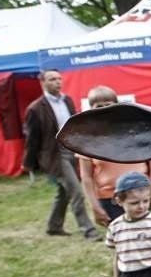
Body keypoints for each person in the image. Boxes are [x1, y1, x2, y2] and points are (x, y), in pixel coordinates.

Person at [22, 69, 101, 241]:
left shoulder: (67, 100)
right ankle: (89, 231)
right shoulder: (35, 109)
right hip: (54, 156)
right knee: (76, 192)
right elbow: (32, 139)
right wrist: (28, 163)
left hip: (72, 151)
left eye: (59, 78)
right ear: (42, 82)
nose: (57, 82)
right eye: (52, 79)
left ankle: (54, 226)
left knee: (63, 192)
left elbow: (75, 125)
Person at [79, 86, 151, 225]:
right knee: (123, 239)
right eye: (99, 106)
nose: (104, 109)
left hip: (140, 193)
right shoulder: (87, 138)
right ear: (92, 108)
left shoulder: (135, 130)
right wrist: (94, 205)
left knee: (147, 234)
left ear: (116, 106)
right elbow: (86, 177)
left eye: (108, 105)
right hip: (110, 199)